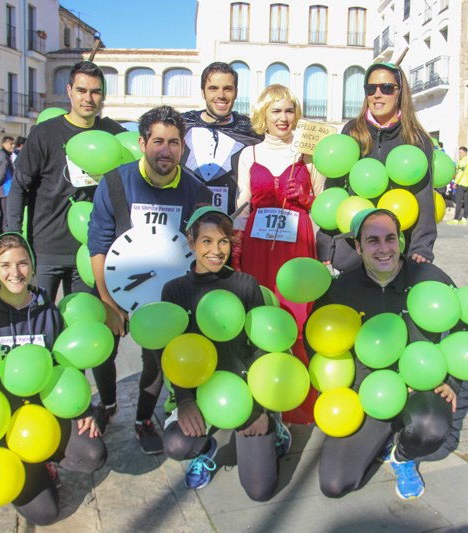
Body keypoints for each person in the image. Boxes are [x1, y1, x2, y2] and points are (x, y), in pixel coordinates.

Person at [310, 208, 468, 500]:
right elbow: (318, 340)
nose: (384, 248)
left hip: (420, 386)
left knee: (431, 428)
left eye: (390, 239)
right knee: (335, 484)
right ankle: (384, 433)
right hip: (368, 391)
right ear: (358, 247)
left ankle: (404, 455)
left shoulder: (429, 278)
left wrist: (452, 381)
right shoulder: (340, 289)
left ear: (401, 242)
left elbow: (465, 324)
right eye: (372, 241)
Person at [0, 232, 106, 526]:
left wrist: (82, 409)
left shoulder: (47, 311)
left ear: (32, 267)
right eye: (5, 265)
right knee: (45, 514)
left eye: (22, 264)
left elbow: (65, 363)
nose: (15, 272)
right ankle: (26, 464)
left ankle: (43, 460)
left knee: (94, 453)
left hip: (42, 413)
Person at [7, 61, 126, 434]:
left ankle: (106, 404)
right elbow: (19, 189)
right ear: (70, 92)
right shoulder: (44, 134)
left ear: (102, 96)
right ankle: (41, 401)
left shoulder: (114, 134)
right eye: (81, 90)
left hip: (92, 254)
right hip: (45, 252)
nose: (88, 98)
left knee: (95, 332)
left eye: (95, 91)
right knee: (36, 330)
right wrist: (13, 241)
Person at [88, 105, 212, 453]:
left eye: (174, 143)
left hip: (168, 292)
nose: (166, 150)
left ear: (182, 148)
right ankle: (107, 405)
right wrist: (108, 302)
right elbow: (97, 244)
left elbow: (201, 247)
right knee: (103, 349)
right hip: (116, 285)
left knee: (154, 359)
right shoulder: (114, 183)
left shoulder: (195, 190)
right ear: (142, 143)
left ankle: (144, 419)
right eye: (158, 141)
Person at [162, 206, 291, 499]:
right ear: (190, 241)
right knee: (177, 444)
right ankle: (206, 447)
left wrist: (260, 409)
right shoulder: (173, 291)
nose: (216, 250)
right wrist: (184, 401)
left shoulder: (245, 284)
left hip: (247, 391)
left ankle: (276, 423)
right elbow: (175, 355)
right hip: (202, 392)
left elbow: (263, 348)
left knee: (260, 490)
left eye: (224, 241)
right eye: (206, 241)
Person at [319, 62, 436, 272]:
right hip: (350, 251)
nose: (378, 94)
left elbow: (424, 197)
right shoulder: (352, 131)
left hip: (396, 251)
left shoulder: (417, 140)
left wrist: (421, 247)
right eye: (371, 88)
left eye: (387, 88)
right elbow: (333, 190)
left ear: (400, 92)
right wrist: (326, 244)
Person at [234, 84, 325, 329]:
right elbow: (242, 207)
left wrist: (306, 200)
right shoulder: (249, 154)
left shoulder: (309, 154)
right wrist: (236, 248)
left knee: (298, 311)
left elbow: (324, 204)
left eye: (289, 110)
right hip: (258, 244)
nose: (283, 118)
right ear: (263, 114)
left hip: (298, 244)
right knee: (260, 306)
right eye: (275, 111)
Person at [180, 62, 262, 215]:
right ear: (203, 92)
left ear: (236, 93)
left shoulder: (252, 133)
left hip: (233, 230)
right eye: (213, 88)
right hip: (185, 230)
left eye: (227, 89)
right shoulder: (180, 128)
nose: (221, 95)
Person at [0, 136, 15, 234]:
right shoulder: (4, 158)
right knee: (7, 217)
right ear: (4, 144)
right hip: (6, 190)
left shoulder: (4, 156)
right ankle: (5, 235)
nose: (13, 146)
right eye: (10, 144)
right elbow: (0, 176)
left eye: (13, 143)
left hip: (6, 190)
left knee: (4, 216)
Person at [448, 146, 468, 225]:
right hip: (467, 183)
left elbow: (460, 173)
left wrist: (456, 182)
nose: (460, 154)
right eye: (459, 153)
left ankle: (456, 218)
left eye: (461, 153)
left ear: (465, 152)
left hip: (461, 183)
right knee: (466, 201)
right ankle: (464, 217)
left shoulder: (463, 162)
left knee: (458, 201)